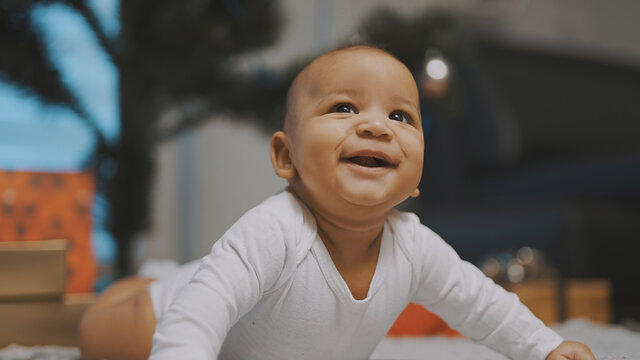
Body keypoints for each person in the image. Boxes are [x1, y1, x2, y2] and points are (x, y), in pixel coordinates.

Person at [78, 45, 595, 360]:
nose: (375, 125)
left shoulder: (414, 246)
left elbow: (481, 304)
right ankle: (150, 281)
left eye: (401, 117)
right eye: (344, 107)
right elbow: (197, 317)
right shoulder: (275, 229)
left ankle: (166, 272)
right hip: (175, 306)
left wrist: (544, 347)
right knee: (101, 336)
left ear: (417, 176)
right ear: (286, 156)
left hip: (235, 296)